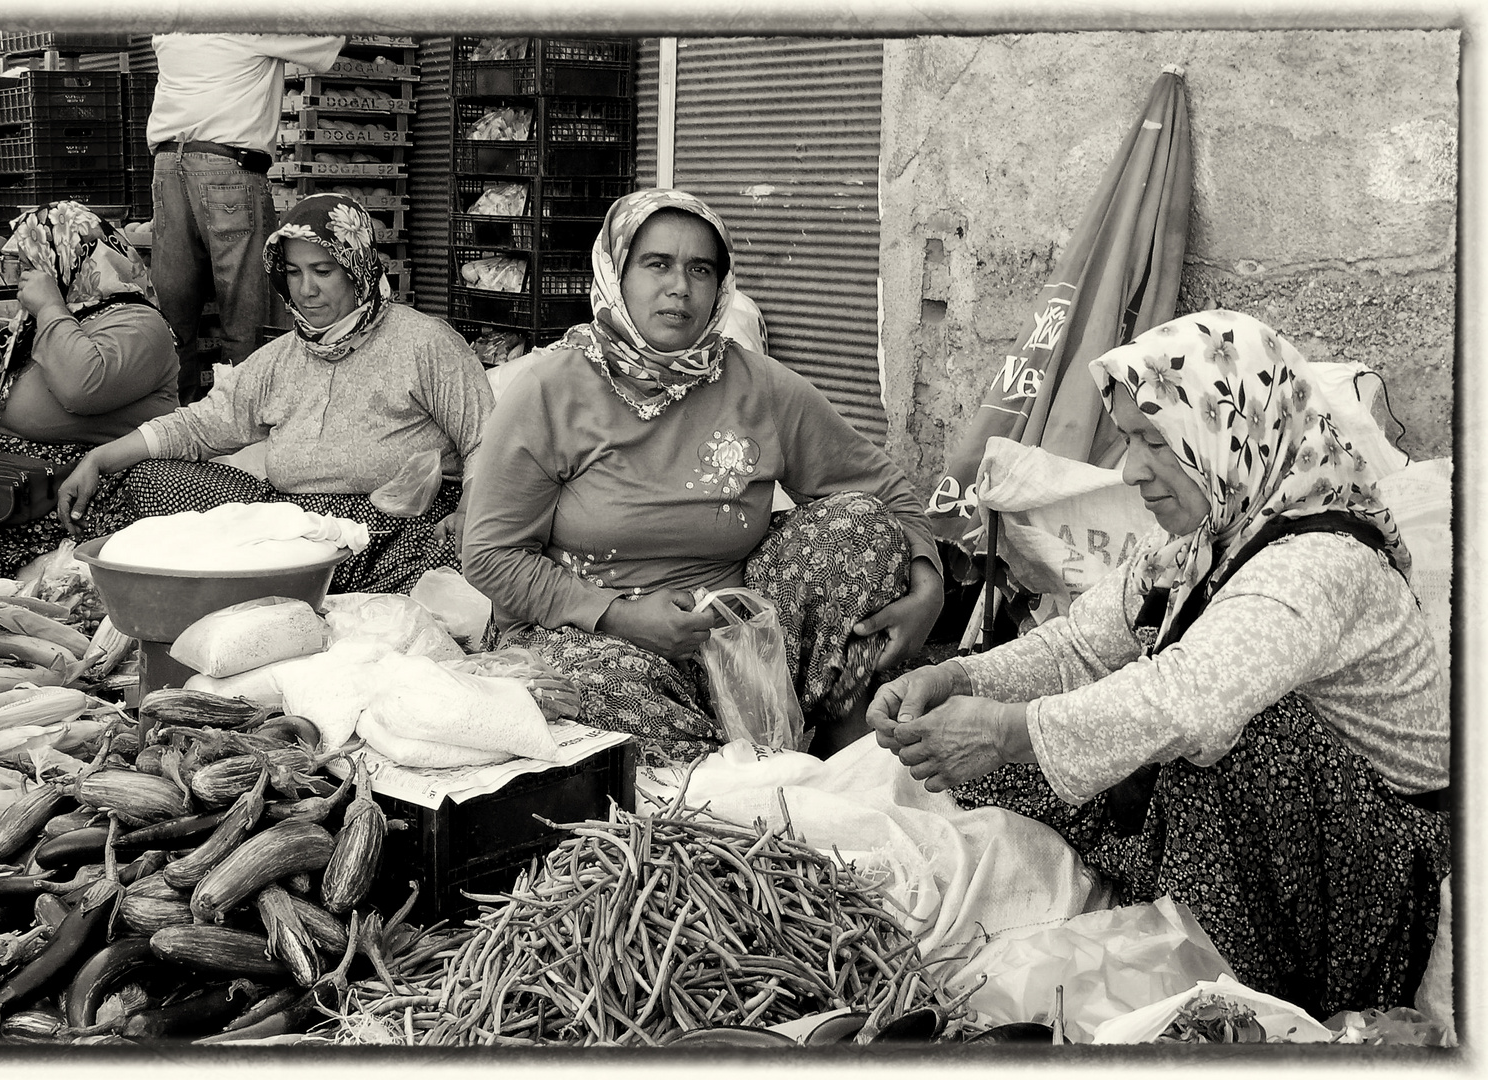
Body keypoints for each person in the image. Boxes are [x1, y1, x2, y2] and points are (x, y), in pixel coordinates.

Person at [866, 310, 1449, 1017]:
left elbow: (1186, 699)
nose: (1130, 471)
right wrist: (959, 678)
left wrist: (1002, 731)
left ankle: (1251, 982)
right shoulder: (1208, 540)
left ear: (1227, 434)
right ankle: (1167, 896)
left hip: (1366, 876)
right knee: (1071, 732)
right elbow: (1079, 645)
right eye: (1129, 440)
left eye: (1154, 442)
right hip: (1279, 839)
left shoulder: (1321, 563)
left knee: (1230, 728)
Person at [462, 188, 944, 764]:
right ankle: (760, 765)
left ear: (721, 286)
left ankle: (825, 738)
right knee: (583, 698)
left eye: (700, 269)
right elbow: (490, 554)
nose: (679, 286)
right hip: (591, 640)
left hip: (739, 640)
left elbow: (880, 487)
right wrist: (618, 615)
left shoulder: (756, 384)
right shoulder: (549, 391)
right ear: (616, 273)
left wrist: (928, 584)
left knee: (858, 526)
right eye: (656, 264)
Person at [57, 193, 493, 595]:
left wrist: (471, 509)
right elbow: (201, 425)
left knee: (446, 560)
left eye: (324, 271)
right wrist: (99, 458)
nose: (306, 290)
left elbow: (486, 438)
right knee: (151, 477)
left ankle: (315, 595)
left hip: (393, 533)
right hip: (295, 530)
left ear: (358, 268)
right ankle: (283, 587)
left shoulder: (424, 343)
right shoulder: (283, 356)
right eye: (294, 272)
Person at [0, 201, 178, 580]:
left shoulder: (140, 325)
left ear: (68, 259)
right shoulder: (43, 321)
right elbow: (13, 399)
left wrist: (50, 307)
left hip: (69, 495)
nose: (22, 277)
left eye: (32, 264)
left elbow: (82, 387)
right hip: (2, 486)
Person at [147, 32, 345, 401]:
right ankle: (243, 439)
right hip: (225, 173)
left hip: (167, 168)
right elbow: (327, 45)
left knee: (173, 323)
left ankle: (172, 432)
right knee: (247, 318)